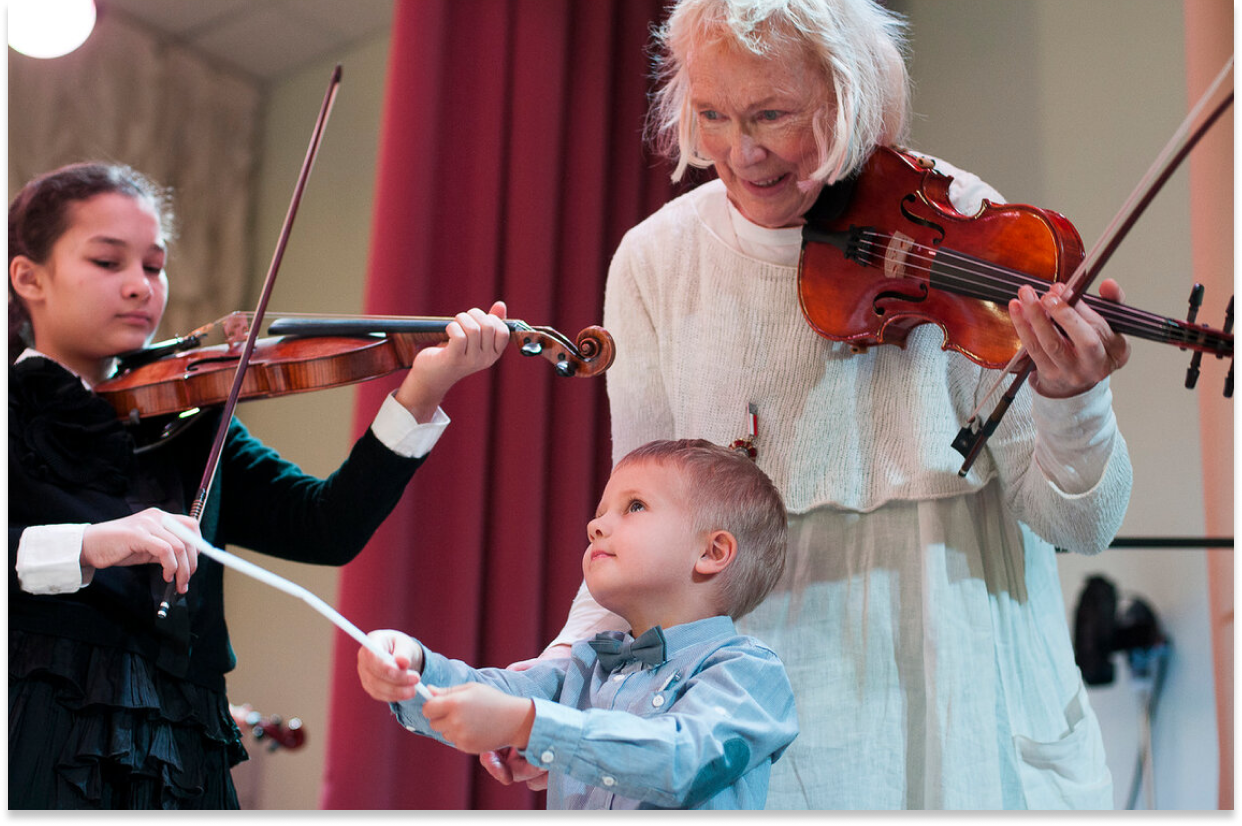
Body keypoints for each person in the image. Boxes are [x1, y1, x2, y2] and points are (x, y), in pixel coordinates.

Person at [486, 0, 1134, 810]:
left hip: (970, 717)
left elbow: (1083, 523)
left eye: (771, 115)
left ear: (849, 93)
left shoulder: (961, 225)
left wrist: (1076, 402)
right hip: (771, 729)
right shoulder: (655, 262)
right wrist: (564, 688)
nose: (739, 151)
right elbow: (640, 533)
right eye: (712, 114)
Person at [5, 162, 511, 810]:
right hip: (39, 725)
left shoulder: (188, 417)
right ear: (30, 277)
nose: (140, 287)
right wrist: (89, 544)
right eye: (109, 262)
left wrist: (423, 390)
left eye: (154, 267)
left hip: (182, 742)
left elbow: (326, 525)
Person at [357, 439, 798, 810]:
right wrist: (413, 667)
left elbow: (683, 759)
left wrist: (531, 725)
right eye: (601, 511)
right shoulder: (587, 664)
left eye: (635, 506)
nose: (595, 526)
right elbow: (497, 694)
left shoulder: (749, 673)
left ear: (712, 552)